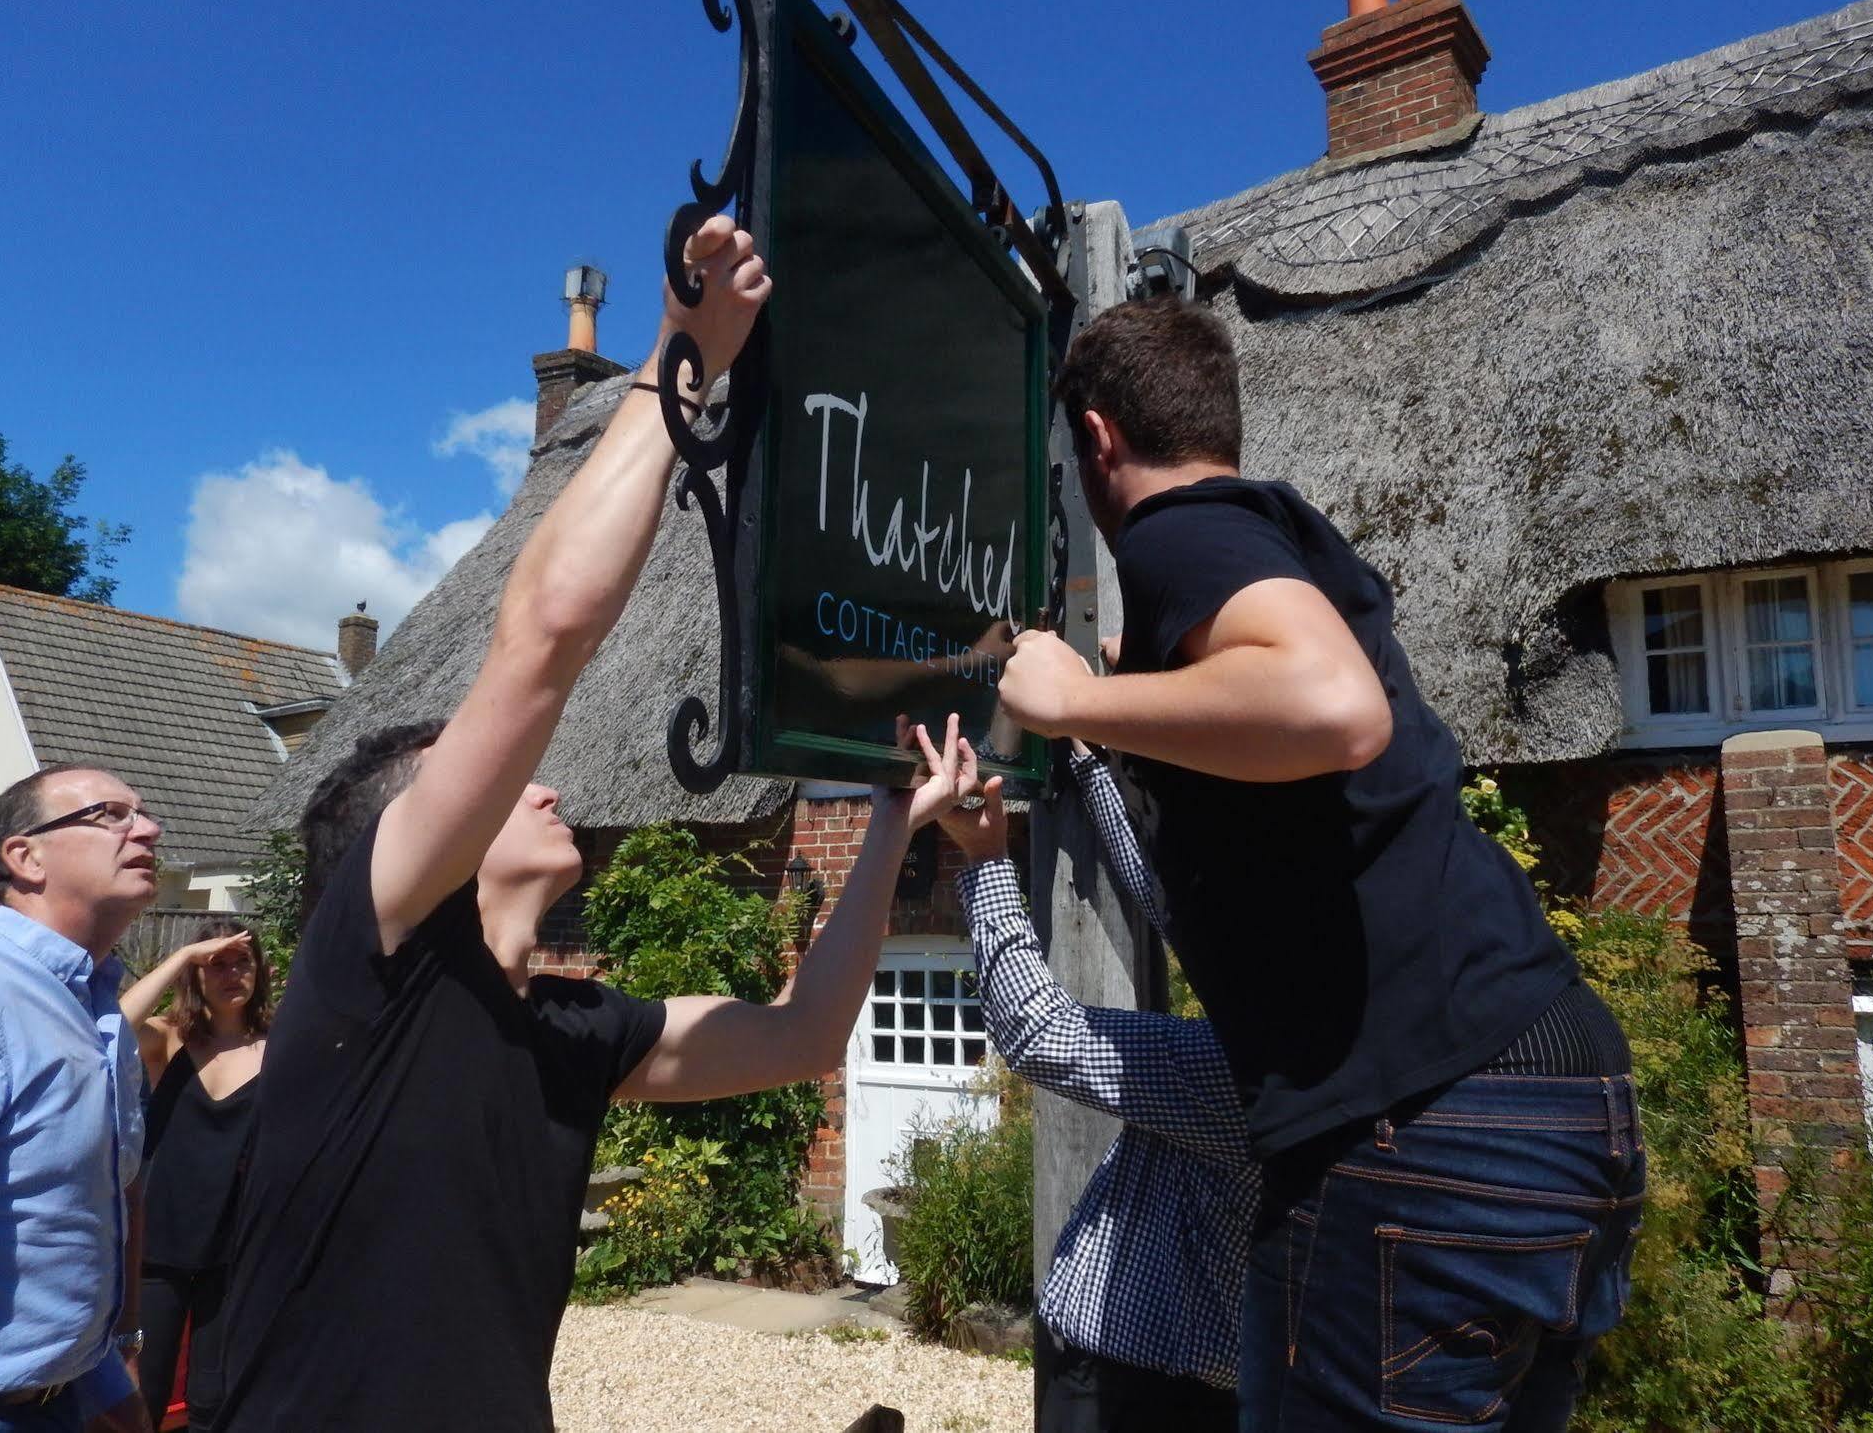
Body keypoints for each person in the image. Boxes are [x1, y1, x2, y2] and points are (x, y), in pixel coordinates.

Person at [210, 217, 972, 1433]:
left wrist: (888, 816)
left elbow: (807, 1033)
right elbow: (542, 644)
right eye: (496, 783)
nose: (546, 782)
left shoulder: (571, 1025)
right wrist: (683, 361)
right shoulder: (377, 964)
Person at [997, 298, 1641, 1432]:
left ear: (1096, 438)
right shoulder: (1277, 535)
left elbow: (1331, 705)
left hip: (1423, 1119)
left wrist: (1074, 701)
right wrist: (1135, 704)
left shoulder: (1177, 532)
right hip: (1562, 1090)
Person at [939, 745, 1255, 1432]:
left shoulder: (1235, 1072)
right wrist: (1089, 760)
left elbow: (1039, 1029)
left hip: (1127, 1387)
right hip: (1212, 1388)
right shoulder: (1340, 1043)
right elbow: (1175, 908)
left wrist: (986, 859)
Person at [0, 766, 162, 1433]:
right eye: (110, 813)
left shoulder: (100, 1017)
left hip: (65, 1403)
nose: (149, 828)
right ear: (25, 856)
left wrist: (104, 1382)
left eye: (143, 813)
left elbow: (60, 1224)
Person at [119, 922, 269, 1430]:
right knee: (144, 1393)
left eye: (241, 962)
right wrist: (182, 955)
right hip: (159, 1245)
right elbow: (112, 1026)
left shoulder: (281, 1045)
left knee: (214, 1396)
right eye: (217, 964)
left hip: (234, 1245)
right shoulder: (168, 1039)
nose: (231, 974)